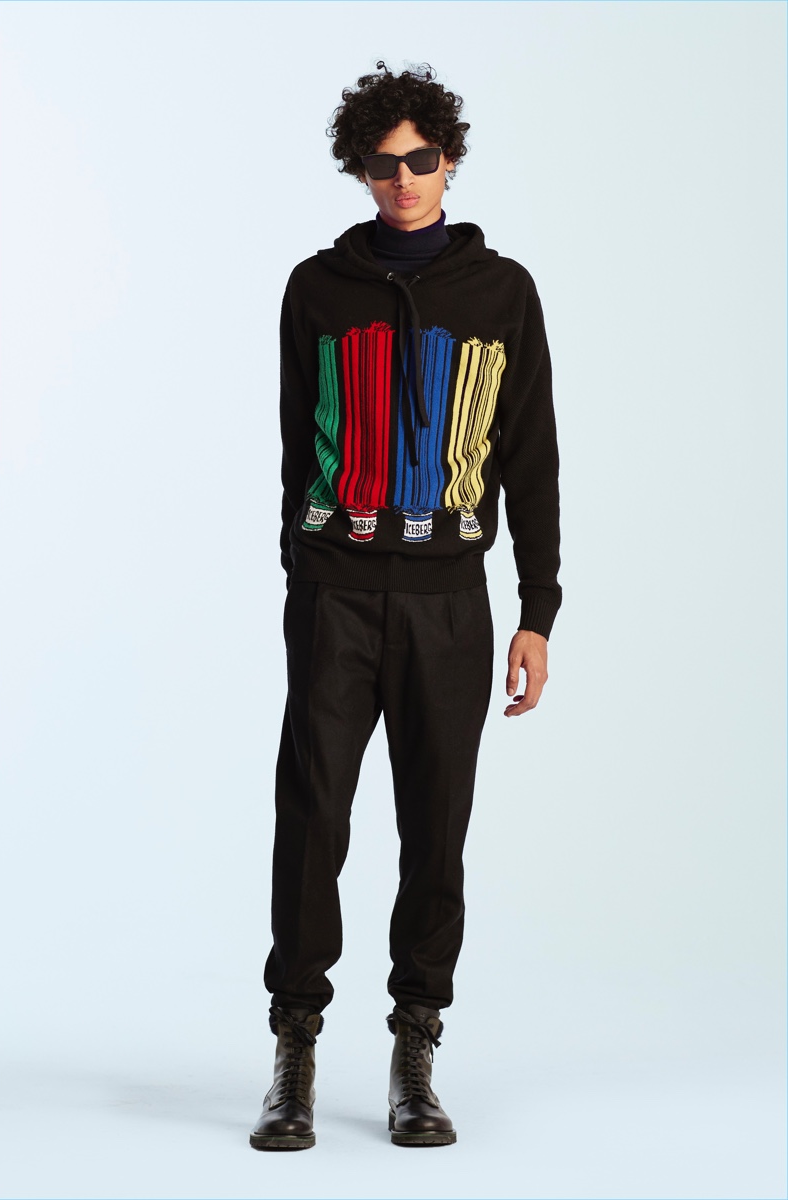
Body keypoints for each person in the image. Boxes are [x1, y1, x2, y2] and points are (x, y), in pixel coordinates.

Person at [249, 61, 562, 1151]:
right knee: (312, 821)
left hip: (449, 603)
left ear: (450, 160)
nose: (403, 179)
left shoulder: (501, 292)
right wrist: (302, 574)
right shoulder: (316, 289)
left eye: (421, 159)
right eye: (382, 165)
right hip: (334, 592)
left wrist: (536, 609)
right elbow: (296, 445)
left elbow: (531, 456)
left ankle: (415, 1051)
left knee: (435, 831)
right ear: (359, 172)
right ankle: (293, 1051)